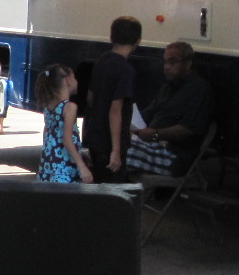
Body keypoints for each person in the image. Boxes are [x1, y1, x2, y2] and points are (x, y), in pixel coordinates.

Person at [127, 41, 215, 176]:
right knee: (112, 142)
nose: (167, 67)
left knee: (123, 150)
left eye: (173, 62)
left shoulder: (199, 89)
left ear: (188, 63)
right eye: (165, 62)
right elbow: (148, 113)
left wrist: (155, 134)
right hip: (151, 144)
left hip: (173, 154)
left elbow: (188, 128)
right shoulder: (167, 88)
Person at [87, 15, 142, 182]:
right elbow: (116, 110)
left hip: (95, 135)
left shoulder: (102, 60)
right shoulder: (126, 70)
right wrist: (116, 151)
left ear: (112, 37)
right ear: (138, 41)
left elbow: (90, 97)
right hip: (110, 142)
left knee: (98, 185)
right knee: (112, 192)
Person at [35, 64, 93, 184]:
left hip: (49, 164)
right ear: (68, 80)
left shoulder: (48, 107)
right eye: (75, 78)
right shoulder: (70, 107)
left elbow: (46, 133)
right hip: (65, 166)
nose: (77, 81)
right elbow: (67, 140)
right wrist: (82, 166)